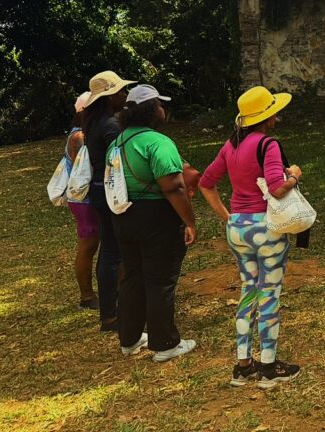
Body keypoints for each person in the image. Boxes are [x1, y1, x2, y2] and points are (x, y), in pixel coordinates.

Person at [199, 86, 303, 388]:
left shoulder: (230, 146)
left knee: (249, 291)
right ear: (267, 117)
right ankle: (269, 366)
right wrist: (294, 175)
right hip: (265, 228)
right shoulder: (267, 145)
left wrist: (227, 216)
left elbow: (207, 183)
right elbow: (276, 187)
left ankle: (243, 365)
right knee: (269, 294)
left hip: (238, 228)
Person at [109, 84, 198, 362]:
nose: (164, 109)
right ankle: (165, 344)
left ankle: (130, 339)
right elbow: (174, 187)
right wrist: (189, 221)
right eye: (160, 104)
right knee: (160, 279)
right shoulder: (158, 143)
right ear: (152, 110)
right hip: (156, 216)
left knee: (133, 276)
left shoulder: (118, 142)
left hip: (123, 215)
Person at [81, 70, 135, 331]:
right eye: (120, 91)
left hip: (98, 191)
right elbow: (120, 161)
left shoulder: (95, 122)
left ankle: (112, 310)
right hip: (111, 193)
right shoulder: (111, 126)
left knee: (109, 250)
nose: (125, 95)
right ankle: (111, 314)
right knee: (114, 252)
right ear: (108, 97)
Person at [65, 91, 100, 310]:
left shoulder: (83, 133)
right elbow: (84, 168)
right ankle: (86, 296)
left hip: (88, 196)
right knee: (88, 245)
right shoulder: (79, 137)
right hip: (84, 198)